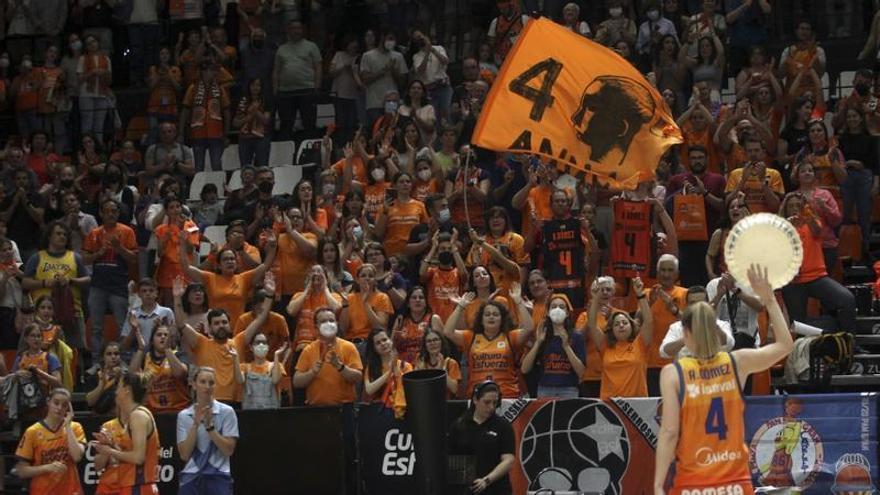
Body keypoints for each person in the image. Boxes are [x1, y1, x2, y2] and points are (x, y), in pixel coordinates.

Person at [654, 265, 793, 495]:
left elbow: (669, 432)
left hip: (692, 483)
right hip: (735, 483)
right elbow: (785, 346)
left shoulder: (673, 373)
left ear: (685, 334)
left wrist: (658, 485)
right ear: (715, 328)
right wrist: (769, 300)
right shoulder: (737, 362)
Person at [443, 292, 534, 398]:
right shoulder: (470, 337)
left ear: (502, 319)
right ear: (481, 319)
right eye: (487, 314)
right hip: (477, 396)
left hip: (507, 394)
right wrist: (461, 306)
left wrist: (518, 302)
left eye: (495, 315)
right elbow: (447, 331)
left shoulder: (510, 336)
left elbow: (529, 328)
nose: (491, 317)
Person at [180, 305, 270, 404]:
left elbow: (260, 319)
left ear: (229, 325)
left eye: (224, 322)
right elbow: (181, 324)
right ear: (209, 328)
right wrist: (177, 298)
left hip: (237, 401)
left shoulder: (239, 341)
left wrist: (269, 295)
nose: (221, 325)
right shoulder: (201, 343)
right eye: (216, 323)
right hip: (209, 401)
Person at [82, 198, 138, 358]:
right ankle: (95, 361)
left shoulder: (127, 231)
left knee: (122, 325)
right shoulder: (94, 233)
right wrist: (99, 253)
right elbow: (84, 259)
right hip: (98, 284)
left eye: (114, 211)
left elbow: (134, 258)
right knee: (96, 326)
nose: (111, 214)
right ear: (101, 213)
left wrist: (119, 248)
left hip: (119, 284)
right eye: (107, 211)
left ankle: (124, 359)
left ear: (118, 213)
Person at [91, 371, 160, 495]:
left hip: (139, 486)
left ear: (127, 390)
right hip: (132, 485)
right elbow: (131, 453)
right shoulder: (136, 414)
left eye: (118, 387)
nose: (116, 392)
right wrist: (111, 445)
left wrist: (109, 451)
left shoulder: (137, 415)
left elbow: (138, 458)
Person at [177, 367, 239, 495]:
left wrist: (210, 428)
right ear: (194, 385)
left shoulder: (227, 412)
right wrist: (195, 425)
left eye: (211, 383)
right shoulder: (184, 415)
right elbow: (184, 455)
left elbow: (228, 450)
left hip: (218, 476)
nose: (207, 386)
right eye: (203, 382)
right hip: (191, 478)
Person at [447, 380, 515, 495]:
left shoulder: (503, 426)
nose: (491, 407)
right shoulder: (459, 425)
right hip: (468, 489)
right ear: (475, 400)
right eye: (487, 402)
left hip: (496, 488)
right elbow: (452, 460)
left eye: (495, 403)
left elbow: (508, 460)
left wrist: (487, 480)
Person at [14, 388, 86, 494]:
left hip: (71, 491)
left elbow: (76, 457)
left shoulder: (75, 427)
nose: (59, 408)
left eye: (64, 405)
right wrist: (46, 468)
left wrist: (68, 427)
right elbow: (21, 471)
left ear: (69, 408)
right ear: (48, 402)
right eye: (56, 403)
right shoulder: (32, 431)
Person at [293, 307, 363, 406]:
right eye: (323, 321)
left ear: (337, 323)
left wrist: (341, 367)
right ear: (316, 327)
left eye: (331, 320)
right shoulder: (308, 350)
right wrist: (312, 372)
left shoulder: (349, 347)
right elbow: (296, 382)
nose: (328, 324)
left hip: (344, 408)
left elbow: (358, 378)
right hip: (316, 409)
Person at [520, 294, 585, 398]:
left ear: (567, 313)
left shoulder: (577, 336)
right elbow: (524, 369)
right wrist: (538, 342)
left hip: (569, 389)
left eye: (562, 307)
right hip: (544, 389)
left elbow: (581, 372)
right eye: (553, 307)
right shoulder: (542, 335)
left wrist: (567, 346)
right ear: (548, 313)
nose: (557, 309)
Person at [130, 324, 190, 414]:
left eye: (166, 335)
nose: (163, 337)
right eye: (159, 335)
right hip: (151, 412)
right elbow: (131, 377)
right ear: (152, 341)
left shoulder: (179, 355)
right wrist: (141, 349)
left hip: (178, 410)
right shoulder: (145, 358)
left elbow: (180, 373)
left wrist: (167, 349)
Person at [363, 328, 413, 417]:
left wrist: (396, 370)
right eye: (378, 343)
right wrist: (390, 371)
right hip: (379, 412)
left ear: (391, 341)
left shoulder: (406, 366)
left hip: (402, 410)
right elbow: (369, 390)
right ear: (374, 349)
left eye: (385, 340)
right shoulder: (371, 367)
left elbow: (408, 390)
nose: (383, 344)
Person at [233, 333, 290, 410]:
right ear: (251, 347)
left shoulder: (275, 366)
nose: (261, 345)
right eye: (257, 342)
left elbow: (275, 380)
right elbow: (240, 380)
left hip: (271, 414)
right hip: (250, 414)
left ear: (268, 347)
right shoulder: (245, 367)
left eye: (264, 342)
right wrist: (235, 358)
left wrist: (276, 355)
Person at [414, 327, 461, 397]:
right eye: (429, 341)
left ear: (441, 342)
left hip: (446, 403)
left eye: (435, 340)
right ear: (425, 345)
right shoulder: (421, 362)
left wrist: (442, 370)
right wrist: (421, 371)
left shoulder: (451, 363)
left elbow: (454, 389)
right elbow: (415, 388)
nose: (432, 343)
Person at [85, 341, 125, 415]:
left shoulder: (126, 376)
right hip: (99, 417)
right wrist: (102, 384)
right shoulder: (94, 376)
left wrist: (120, 379)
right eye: (109, 354)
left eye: (116, 354)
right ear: (103, 357)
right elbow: (90, 402)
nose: (113, 357)